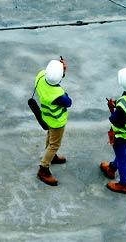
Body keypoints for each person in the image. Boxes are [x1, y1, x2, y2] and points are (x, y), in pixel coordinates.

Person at [34, 58, 72, 186]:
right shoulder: (58, 94)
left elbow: (50, 77)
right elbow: (68, 102)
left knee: (50, 137)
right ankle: (43, 169)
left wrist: (60, 71)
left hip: (46, 115)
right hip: (57, 121)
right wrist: (61, 72)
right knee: (54, 144)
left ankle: (52, 156)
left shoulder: (40, 76)